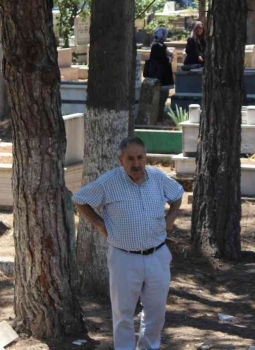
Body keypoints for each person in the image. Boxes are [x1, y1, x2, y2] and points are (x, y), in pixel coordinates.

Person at [74, 137, 184, 350]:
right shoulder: (109, 182)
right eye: (130, 158)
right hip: (123, 258)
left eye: (140, 157)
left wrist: (170, 219)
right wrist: (98, 224)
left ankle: (148, 347)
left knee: (156, 312)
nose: (136, 163)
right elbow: (79, 199)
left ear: (146, 157)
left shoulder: (157, 177)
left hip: (157, 256)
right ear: (121, 160)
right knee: (123, 314)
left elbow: (178, 194)